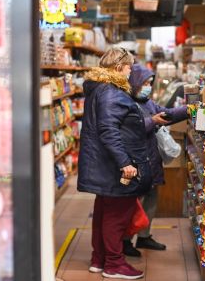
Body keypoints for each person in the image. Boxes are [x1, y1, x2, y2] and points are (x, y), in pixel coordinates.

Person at [78, 48, 153, 280]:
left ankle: (98, 259)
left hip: (102, 163)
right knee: (116, 215)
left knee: (103, 212)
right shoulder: (112, 92)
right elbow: (109, 131)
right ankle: (114, 264)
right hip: (114, 166)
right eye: (129, 66)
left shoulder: (100, 89)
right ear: (118, 67)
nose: (131, 71)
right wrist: (125, 163)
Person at [123, 63, 188, 257]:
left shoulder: (148, 102)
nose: (148, 87)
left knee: (151, 198)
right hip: (135, 160)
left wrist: (189, 110)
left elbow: (165, 113)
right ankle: (125, 241)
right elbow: (129, 129)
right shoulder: (125, 102)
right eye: (144, 83)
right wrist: (153, 121)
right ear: (134, 82)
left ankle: (144, 236)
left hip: (150, 158)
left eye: (150, 83)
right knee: (132, 204)